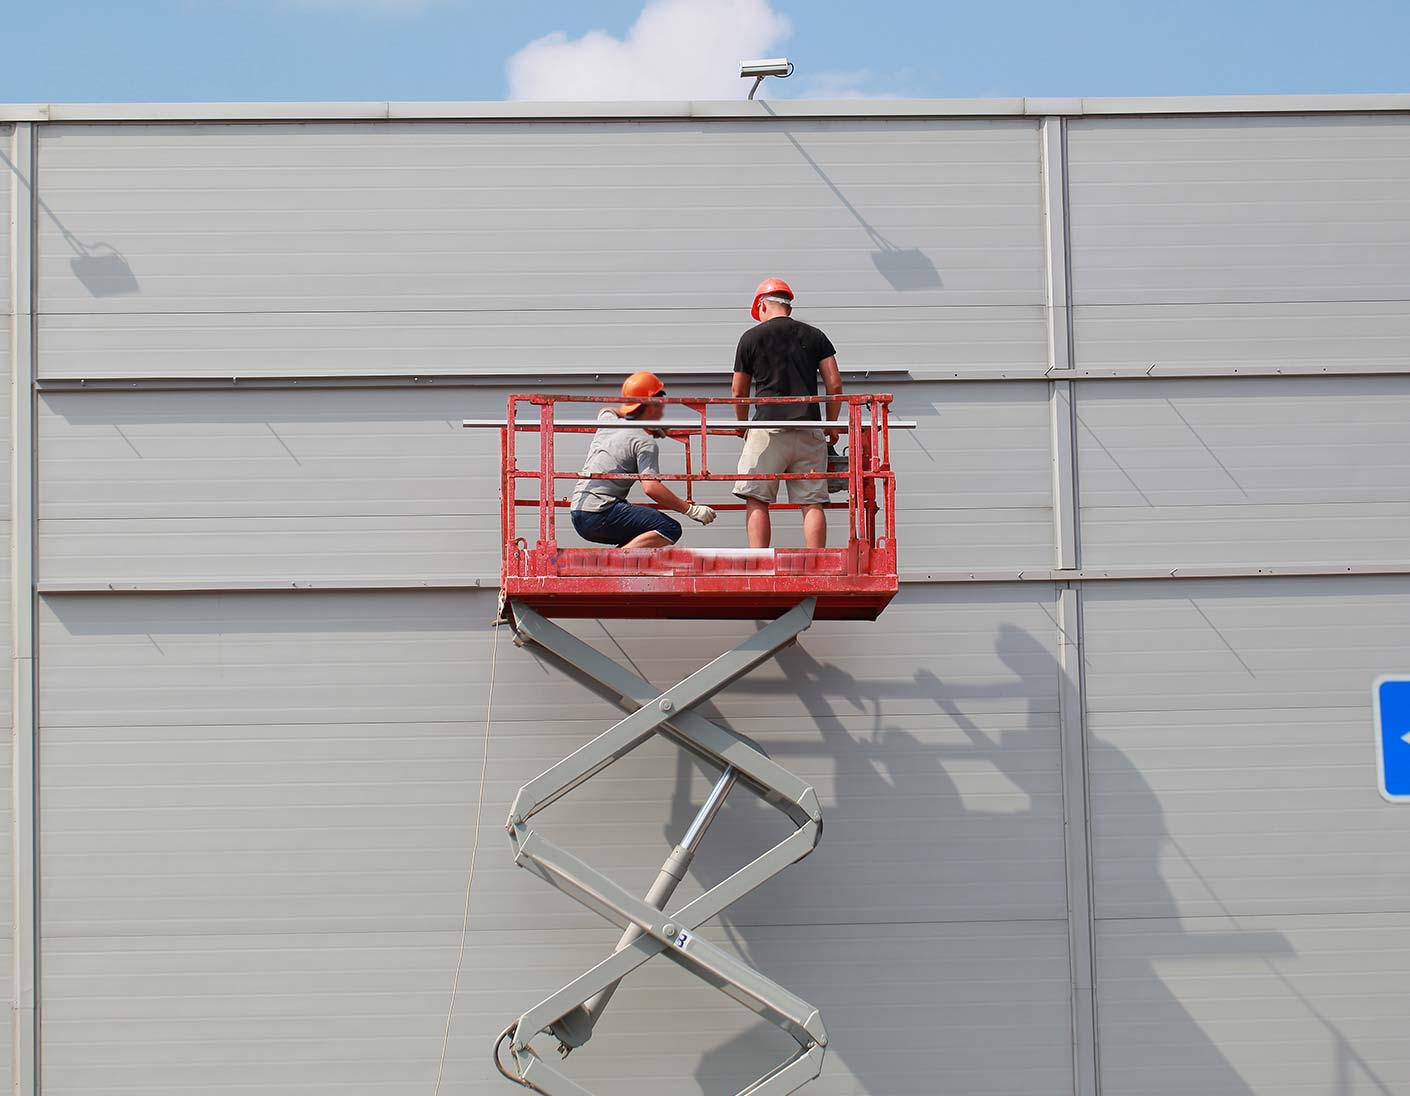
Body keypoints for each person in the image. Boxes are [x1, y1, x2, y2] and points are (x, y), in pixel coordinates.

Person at [732, 278, 844, 549]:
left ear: (762, 306)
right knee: (812, 500)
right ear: (789, 308)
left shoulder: (751, 337)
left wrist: (741, 424)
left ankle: (758, 560)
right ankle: (817, 561)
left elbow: (738, 391)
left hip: (768, 429)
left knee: (757, 497)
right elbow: (835, 384)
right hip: (809, 428)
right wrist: (831, 424)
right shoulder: (815, 335)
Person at [570, 371, 717, 549]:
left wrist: (643, 423)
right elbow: (651, 487)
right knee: (669, 528)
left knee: (640, 533)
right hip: (601, 513)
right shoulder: (644, 442)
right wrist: (690, 510)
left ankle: (616, 561)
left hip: (578, 511)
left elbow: (606, 409)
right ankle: (616, 564)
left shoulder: (609, 421)